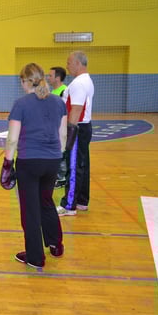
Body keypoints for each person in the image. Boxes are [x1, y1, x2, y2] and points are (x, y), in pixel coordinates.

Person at [0, 63, 67, 268]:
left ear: (24, 81)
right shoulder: (58, 102)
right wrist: (57, 156)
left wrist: (7, 163)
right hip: (52, 160)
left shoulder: (21, 104)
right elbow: (63, 134)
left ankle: (35, 257)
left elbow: (12, 138)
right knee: (46, 201)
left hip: (29, 161)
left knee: (30, 209)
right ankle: (55, 244)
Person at [57, 51, 95, 216]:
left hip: (77, 129)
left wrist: (69, 133)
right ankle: (81, 201)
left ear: (78, 63)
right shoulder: (86, 80)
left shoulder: (79, 83)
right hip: (83, 128)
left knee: (73, 167)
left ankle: (69, 205)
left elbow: (76, 110)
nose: (67, 66)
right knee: (82, 165)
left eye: (69, 62)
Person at [46, 66, 68, 188]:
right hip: (52, 128)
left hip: (60, 128)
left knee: (61, 151)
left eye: (50, 75)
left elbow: (64, 112)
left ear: (57, 78)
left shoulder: (65, 91)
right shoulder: (51, 93)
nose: (48, 77)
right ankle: (55, 175)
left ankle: (62, 177)